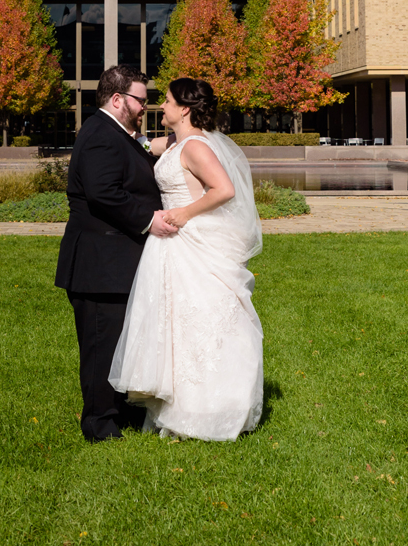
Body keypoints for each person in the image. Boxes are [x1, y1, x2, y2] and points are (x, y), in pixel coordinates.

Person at [110, 77, 265, 440]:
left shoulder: (195, 146)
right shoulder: (176, 141)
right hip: (171, 244)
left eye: (165, 101)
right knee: (175, 324)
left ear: (184, 109)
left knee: (201, 322)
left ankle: (209, 410)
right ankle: (177, 406)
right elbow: (146, 144)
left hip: (190, 237)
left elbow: (224, 189)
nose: (160, 107)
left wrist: (185, 213)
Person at [55, 65, 177, 442]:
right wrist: (149, 220)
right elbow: (104, 192)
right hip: (98, 264)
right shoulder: (99, 135)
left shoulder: (118, 133)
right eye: (141, 99)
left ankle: (116, 411)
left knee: (118, 341)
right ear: (117, 99)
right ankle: (99, 424)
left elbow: (132, 165)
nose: (146, 106)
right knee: (101, 345)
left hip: (114, 262)